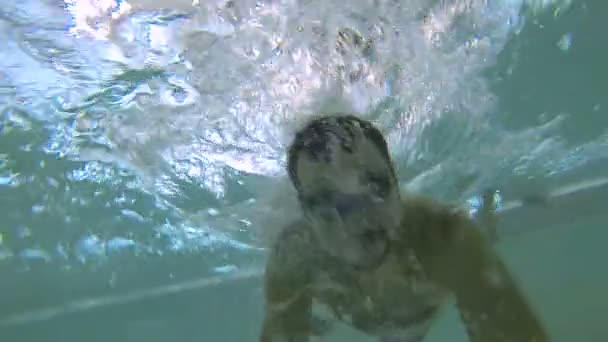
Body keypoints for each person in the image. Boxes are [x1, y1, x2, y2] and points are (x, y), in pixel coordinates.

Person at [259, 114, 548, 342]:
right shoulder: (294, 259)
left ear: (397, 187)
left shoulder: (445, 238)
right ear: (305, 213)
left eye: (373, 187)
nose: (354, 221)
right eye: (324, 202)